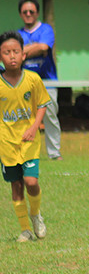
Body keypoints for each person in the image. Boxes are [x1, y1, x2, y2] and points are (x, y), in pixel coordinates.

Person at [0, 31, 50, 242]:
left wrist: (35, 126)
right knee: (16, 185)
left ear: (23, 55)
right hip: (6, 143)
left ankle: (36, 214)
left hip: (28, 142)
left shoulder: (33, 79)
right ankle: (25, 230)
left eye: (16, 52)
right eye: (6, 52)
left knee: (30, 181)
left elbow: (41, 105)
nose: (11, 56)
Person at [17, 0, 61, 160]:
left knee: (50, 116)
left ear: (37, 13)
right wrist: (31, 49)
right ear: (21, 14)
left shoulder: (46, 29)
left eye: (31, 11)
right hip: (25, 82)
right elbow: (14, 53)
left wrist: (23, 51)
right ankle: (24, 153)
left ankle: (54, 154)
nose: (28, 14)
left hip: (47, 81)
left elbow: (44, 47)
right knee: (22, 117)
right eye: (25, 12)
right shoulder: (18, 34)